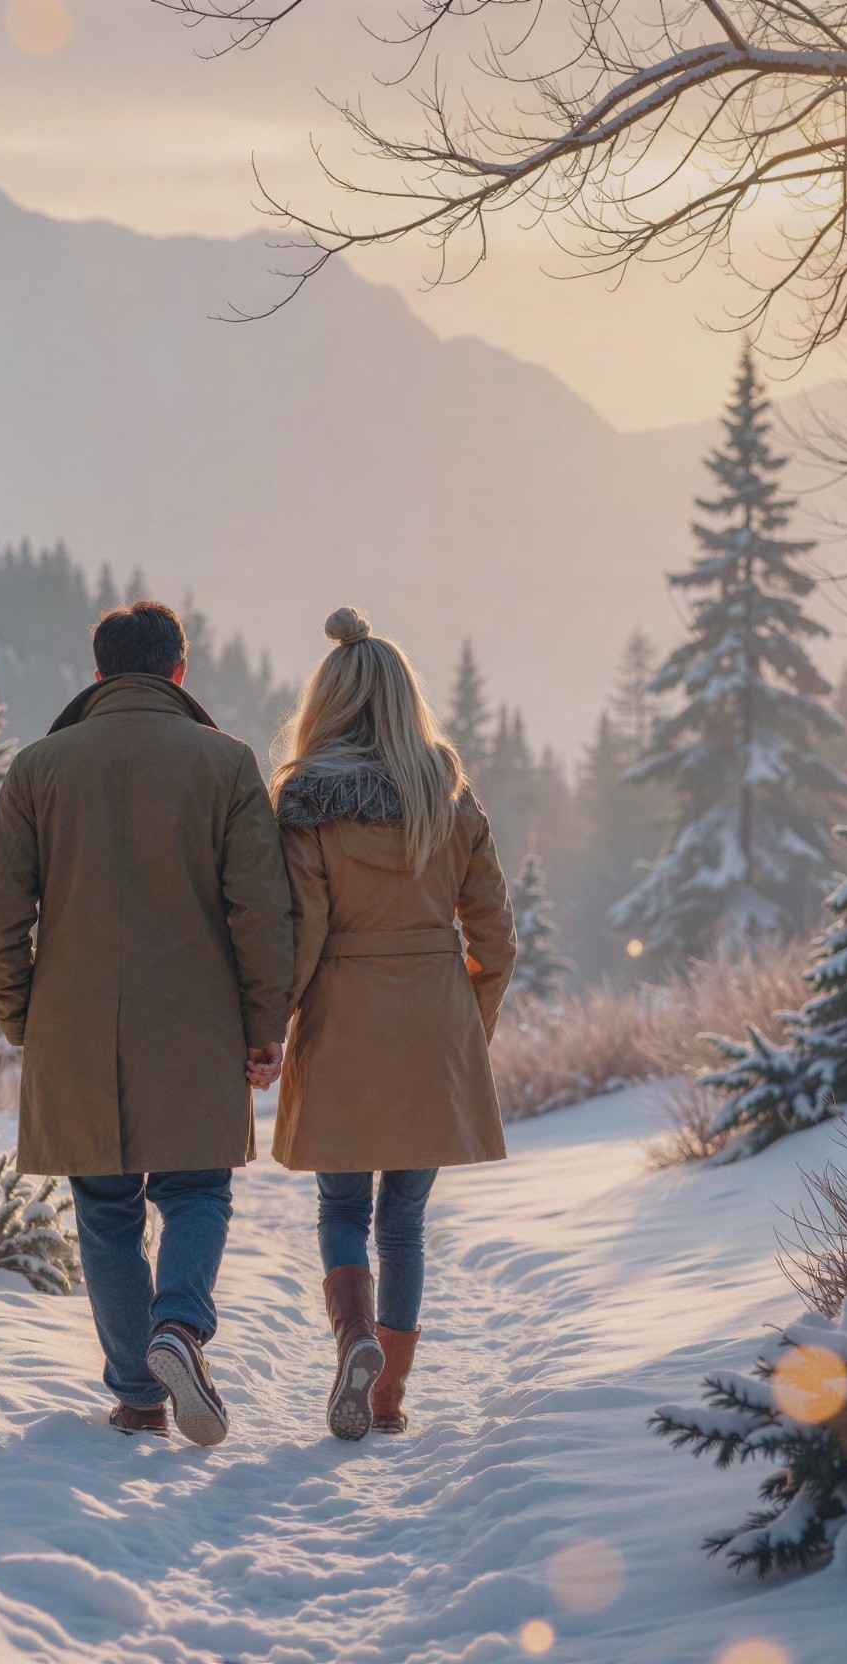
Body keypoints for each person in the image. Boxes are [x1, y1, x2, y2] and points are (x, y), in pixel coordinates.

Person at [0, 601, 294, 1446]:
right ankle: (178, 1329)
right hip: (198, 1024)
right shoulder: (226, 764)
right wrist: (265, 1023)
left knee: (105, 1206)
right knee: (196, 1190)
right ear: (179, 672)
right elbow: (260, 910)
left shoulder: (39, 768)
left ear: (102, 672)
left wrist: (24, 1019)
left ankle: (138, 1394)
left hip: (74, 1029)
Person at [271, 606, 516, 1441]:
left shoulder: (305, 803)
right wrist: (466, 1029)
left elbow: (300, 936)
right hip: (435, 1027)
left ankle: (353, 1344)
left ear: (327, 701)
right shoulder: (449, 793)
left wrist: (271, 1024)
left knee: (342, 1209)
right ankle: (386, 1400)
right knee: (404, 1221)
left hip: (343, 1019)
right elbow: (496, 938)